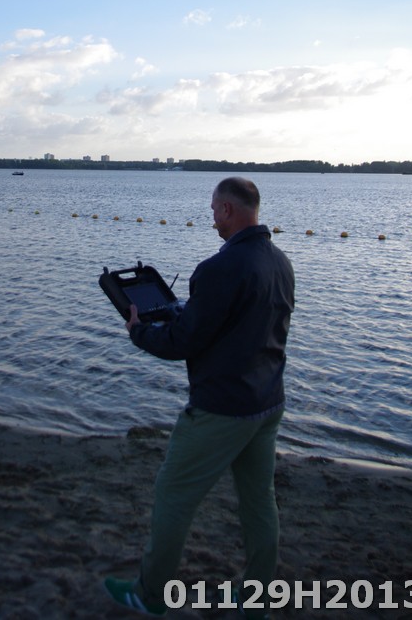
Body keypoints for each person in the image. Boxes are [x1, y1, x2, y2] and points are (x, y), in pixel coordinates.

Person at [104, 177, 294, 618]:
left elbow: (182, 343)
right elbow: (240, 323)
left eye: (213, 210)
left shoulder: (218, 268)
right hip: (267, 401)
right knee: (259, 502)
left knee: (173, 495)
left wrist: (139, 332)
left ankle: (150, 595)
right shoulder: (279, 261)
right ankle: (258, 600)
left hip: (221, 408)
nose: (212, 218)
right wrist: (185, 314)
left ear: (227, 209)